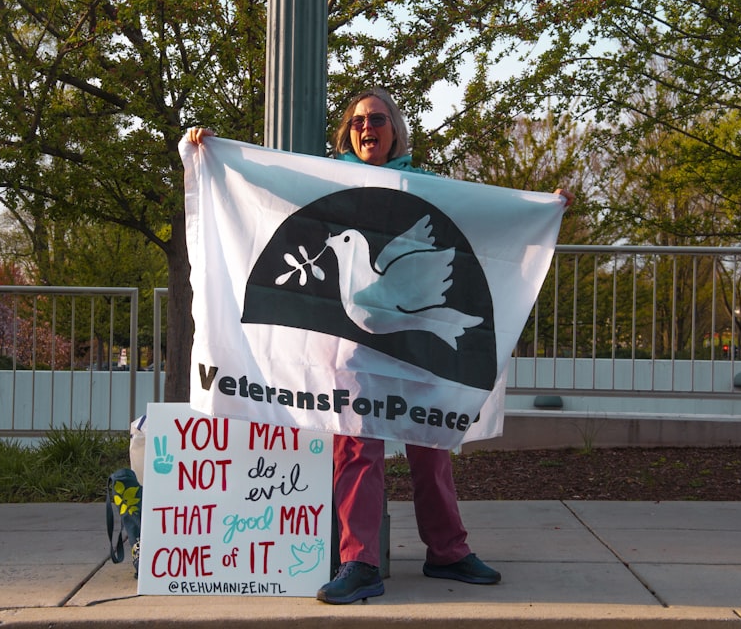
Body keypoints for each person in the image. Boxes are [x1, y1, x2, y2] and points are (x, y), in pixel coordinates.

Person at [186, 88, 573, 605]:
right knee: (357, 448)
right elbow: (261, 189)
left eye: (380, 119)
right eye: (359, 120)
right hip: (350, 356)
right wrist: (210, 152)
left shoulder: (428, 188)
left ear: (396, 131)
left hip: (417, 351)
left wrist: (540, 209)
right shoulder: (321, 181)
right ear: (347, 132)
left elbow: (485, 226)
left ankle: (448, 551)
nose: (369, 127)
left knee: (431, 447)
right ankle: (360, 561)